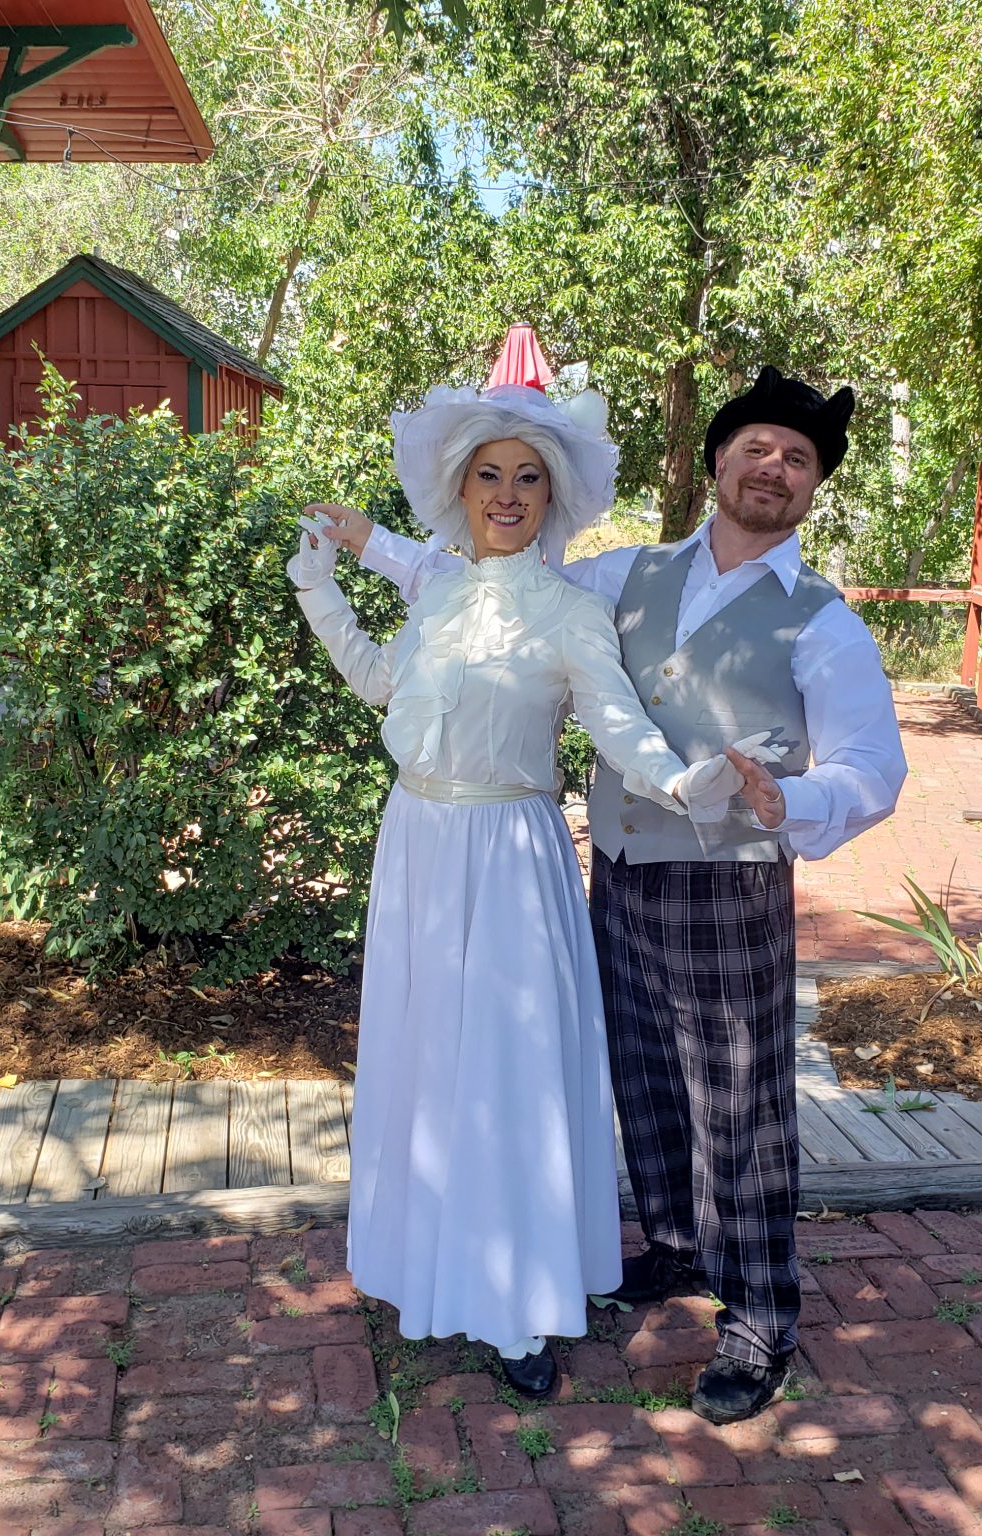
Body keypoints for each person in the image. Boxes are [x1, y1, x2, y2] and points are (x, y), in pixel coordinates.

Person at [319, 365, 908, 1423]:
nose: (772, 468)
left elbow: (874, 765)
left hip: (729, 879)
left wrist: (795, 799)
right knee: (640, 1077)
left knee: (739, 1107)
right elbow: (480, 582)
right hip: (622, 868)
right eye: (755, 448)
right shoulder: (626, 574)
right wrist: (367, 545)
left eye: (797, 458)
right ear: (718, 461)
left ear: (814, 485)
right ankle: (674, 1246)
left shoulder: (823, 622)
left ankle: (759, 1321)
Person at [288, 347, 762, 1399]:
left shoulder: (569, 612)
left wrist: (686, 781)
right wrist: (321, 590)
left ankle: (514, 1308)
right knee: (426, 1062)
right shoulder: (437, 590)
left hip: (510, 856)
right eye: (489, 475)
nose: (507, 495)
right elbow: (381, 683)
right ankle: (428, 1267)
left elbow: (619, 728)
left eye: (528, 478)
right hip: (417, 847)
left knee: (507, 1074)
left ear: (553, 497)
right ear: (461, 488)